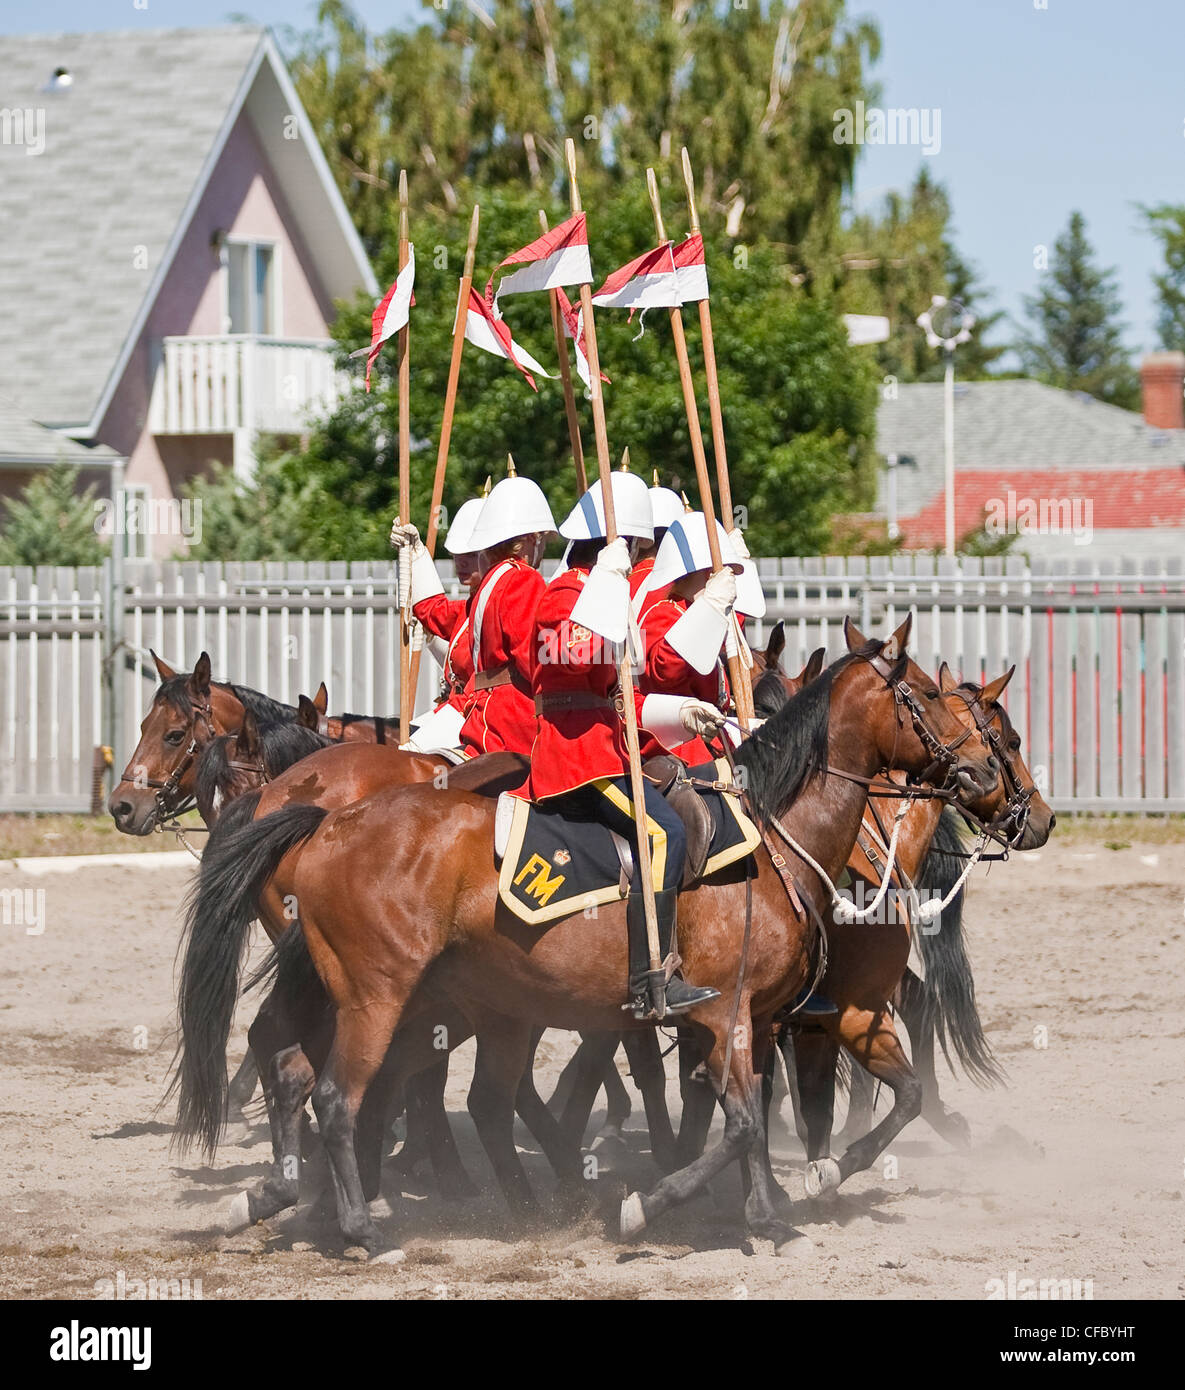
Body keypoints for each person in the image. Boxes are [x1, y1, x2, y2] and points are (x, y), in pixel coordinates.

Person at [513, 471, 723, 1020]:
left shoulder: (605, 593)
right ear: (617, 546)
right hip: (575, 759)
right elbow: (572, 660)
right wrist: (603, 589)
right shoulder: (563, 595)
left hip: (608, 746)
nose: (637, 558)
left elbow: (619, 697)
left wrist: (678, 712)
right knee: (665, 832)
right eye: (633, 547)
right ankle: (650, 979)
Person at [635, 511, 765, 764]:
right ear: (707, 572)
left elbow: (729, 633)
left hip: (710, 745)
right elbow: (666, 671)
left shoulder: (689, 612)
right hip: (676, 751)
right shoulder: (664, 614)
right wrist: (711, 606)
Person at [455, 464, 556, 755]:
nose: (543, 548)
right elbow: (532, 660)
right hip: (514, 721)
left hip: (483, 712)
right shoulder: (523, 578)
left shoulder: (491, 580)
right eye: (541, 540)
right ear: (527, 540)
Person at [389, 492, 486, 754]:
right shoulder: (469, 607)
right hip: (458, 707)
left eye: (470, 553)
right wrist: (415, 552)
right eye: (457, 554)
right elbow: (433, 610)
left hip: (482, 715)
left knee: (410, 757)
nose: (461, 562)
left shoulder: (504, 599)